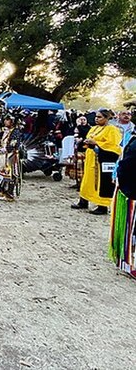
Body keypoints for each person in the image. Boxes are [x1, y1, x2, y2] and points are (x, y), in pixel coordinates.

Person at [72, 108, 122, 215]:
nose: (96, 119)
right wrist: (86, 142)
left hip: (103, 159)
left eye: (99, 117)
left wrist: (96, 143)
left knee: (101, 182)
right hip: (90, 158)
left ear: (107, 118)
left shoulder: (112, 130)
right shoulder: (93, 128)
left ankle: (102, 206)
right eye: (96, 116)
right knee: (87, 180)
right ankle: (83, 200)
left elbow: (114, 145)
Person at [108, 128, 136, 277]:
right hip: (131, 190)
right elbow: (124, 165)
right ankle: (130, 262)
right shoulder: (132, 141)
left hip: (130, 189)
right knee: (132, 228)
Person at [0, 115, 22, 202]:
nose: (5, 121)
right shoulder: (6, 131)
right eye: (5, 119)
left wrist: (0, 151)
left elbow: (12, 147)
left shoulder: (16, 132)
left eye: (8, 120)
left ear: (13, 122)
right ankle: (2, 193)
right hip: (5, 156)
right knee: (3, 174)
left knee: (10, 176)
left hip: (11, 156)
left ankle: (9, 195)